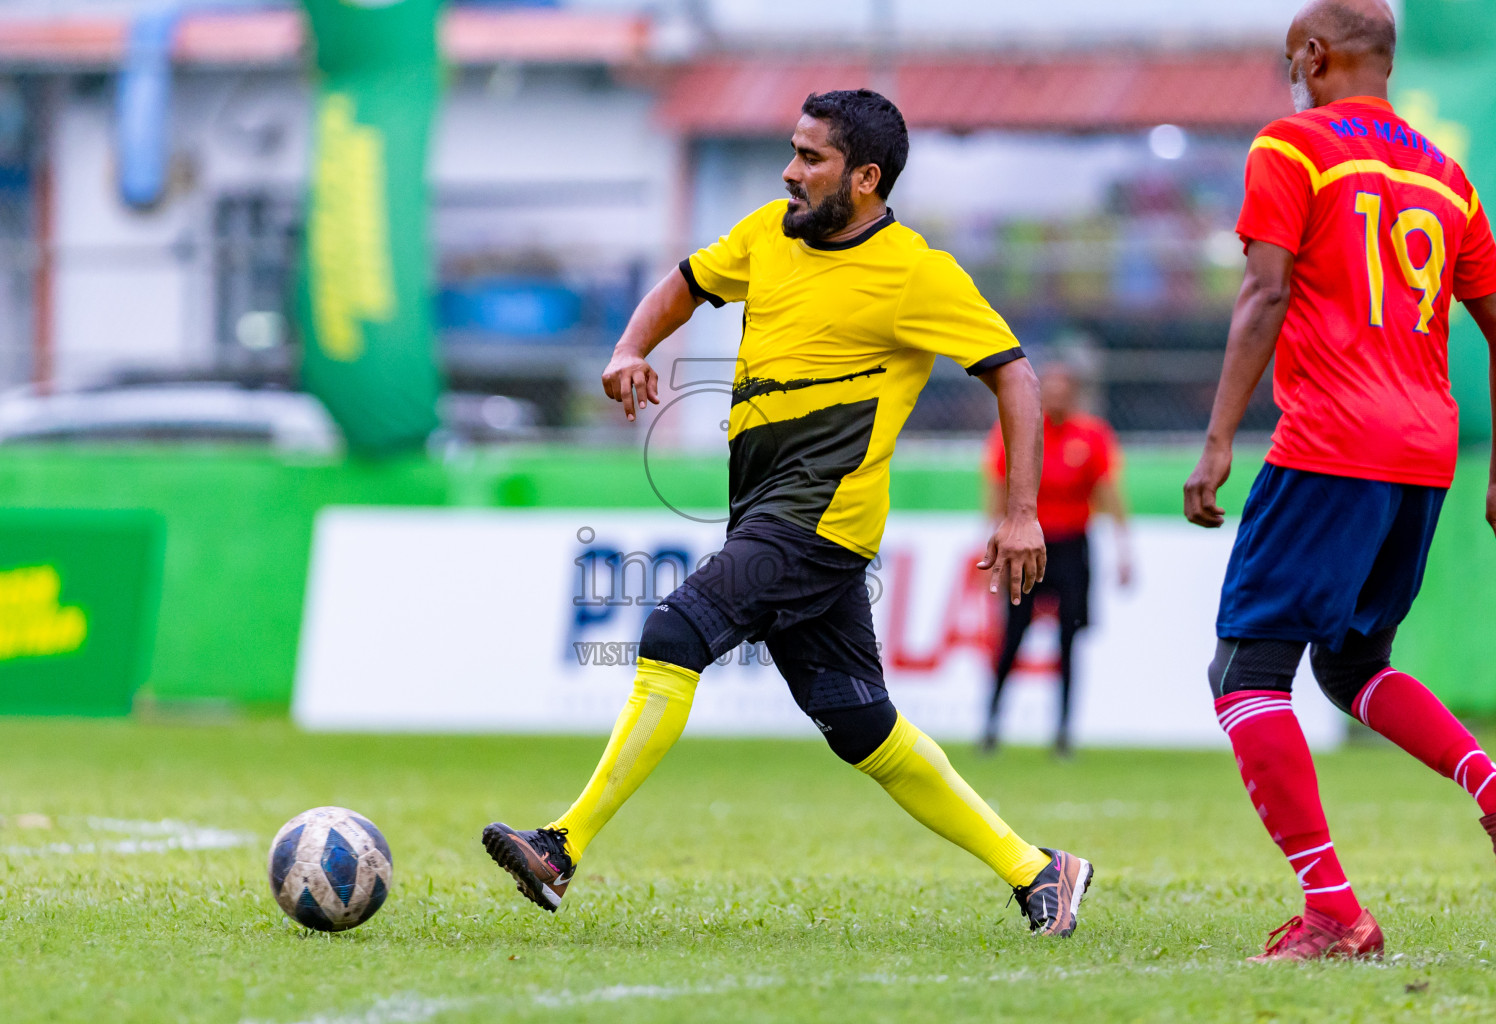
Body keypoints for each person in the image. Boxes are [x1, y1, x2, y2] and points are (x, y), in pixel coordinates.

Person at [482, 89, 1094, 935]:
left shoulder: (918, 272)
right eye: (792, 150)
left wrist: (1021, 511)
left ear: (867, 178)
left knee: (672, 632)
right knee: (862, 727)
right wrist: (628, 348)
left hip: (817, 522)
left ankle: (561, 845)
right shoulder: (769, 233)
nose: (789, 170)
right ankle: (1040, 870)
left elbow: (1014, 373)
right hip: (769, 516)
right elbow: (687, 283)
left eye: (812, 158)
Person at [1184, 0, 1496, 962]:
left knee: (1246, 674)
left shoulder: (1294, 146)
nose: (1290, 73)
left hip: (1330, 443)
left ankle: (1332, 911)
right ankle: (1491, 784)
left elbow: (1266, 289)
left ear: (1316, 55)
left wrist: (1219, 438)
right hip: (1423, 455)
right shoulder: (1447, 175)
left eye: (1292, 58)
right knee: (1352, 665)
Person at [982, 361, 1132, 756]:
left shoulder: (1093, 436)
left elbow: (1108, 491)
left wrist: (1123, 547)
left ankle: (1063, 731)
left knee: (1070, 638)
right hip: (1022, 547)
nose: (1057, 396)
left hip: (1071, 548)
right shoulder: (1017, 431)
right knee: (1013, 636)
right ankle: (991, 723)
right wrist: (991, 544)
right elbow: (997, 487)